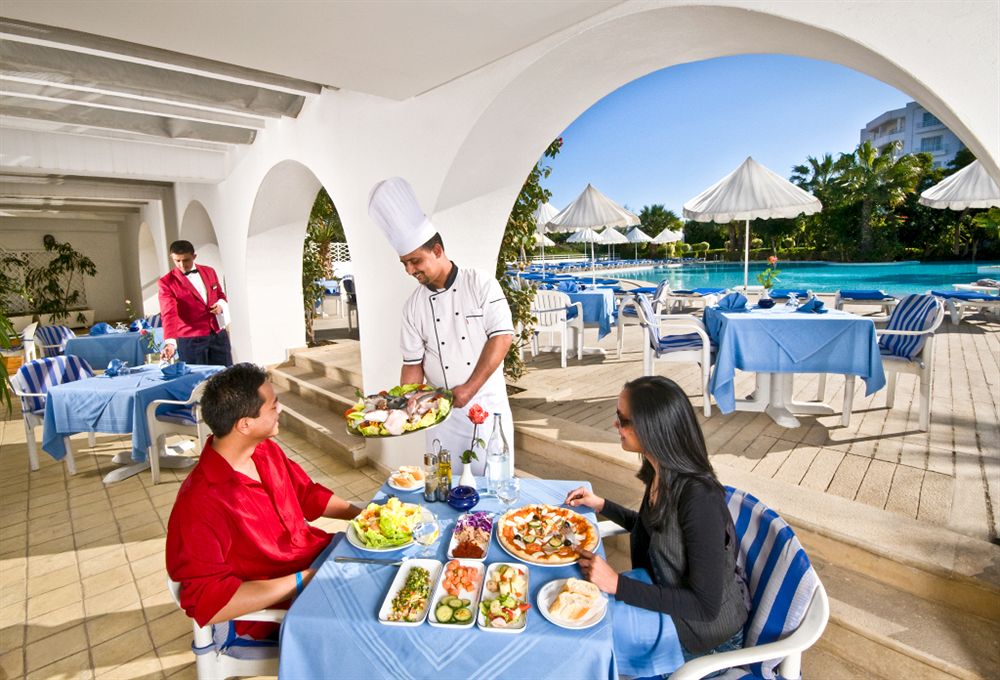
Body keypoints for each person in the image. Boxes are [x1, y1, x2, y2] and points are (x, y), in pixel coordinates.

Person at [565, 376, 750, 677]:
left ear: (652, 428)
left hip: (705, 638)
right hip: (668, 603)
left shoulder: (699, 499)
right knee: (576, 604)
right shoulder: (661, 473)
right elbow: (656, 531)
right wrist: (602, 505)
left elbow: (705, 606)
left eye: (623, 420)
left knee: (583, 631)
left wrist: (617, 584)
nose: (615, 425)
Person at [166, 363, 362, 643]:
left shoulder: (265, 450)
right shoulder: (200, 503)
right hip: (283, 604)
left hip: (317, 559)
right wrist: (304, 579)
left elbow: (307, 495)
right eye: (273, 405)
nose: (280, 409)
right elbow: (209, 602)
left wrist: (366, 515)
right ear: (245, 424)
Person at [368, 177, 515, 473]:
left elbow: (502, 338)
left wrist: (469, 389)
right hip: (439, 416)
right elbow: (413, 363)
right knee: (442, 483)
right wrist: (406, 404)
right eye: (404, 263)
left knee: (490, 485)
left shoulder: (480, 283)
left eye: (415, 261)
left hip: (485, 407)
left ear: (437, 250)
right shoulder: (413, 306)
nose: (409, 270)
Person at [158, 239, 233, 366]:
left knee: (226, 374)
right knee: (197, 377)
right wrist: (170, 342)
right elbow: (169, 313)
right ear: (172, 258)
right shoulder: (166, 282)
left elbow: (220, 294)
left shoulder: (209, 271)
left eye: (186, 260)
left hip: (218, 334)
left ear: (194, 256)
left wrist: (220, 305)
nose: (182, 265)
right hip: (191, 340)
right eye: (177, 261)